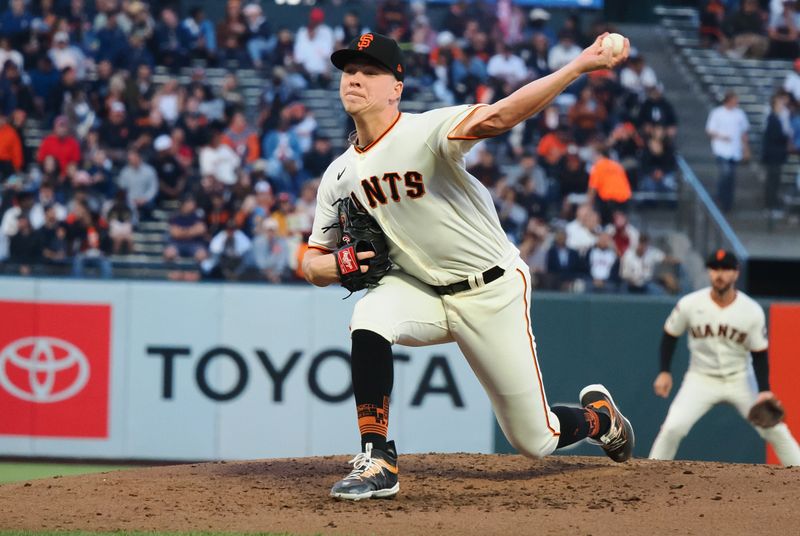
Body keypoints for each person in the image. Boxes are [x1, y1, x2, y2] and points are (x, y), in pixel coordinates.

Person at [301, 32, 635, 501]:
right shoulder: (338, 175)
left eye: (370, 71)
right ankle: (376, 457)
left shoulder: (426, 132)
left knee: (534, 440)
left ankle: (601, 418)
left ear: (396, 87)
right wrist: (342, 263)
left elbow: (500, 115)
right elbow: (311, 264)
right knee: (368, 317)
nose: (355, 78)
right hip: (421, 290)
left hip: (491, 290)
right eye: (349, 70)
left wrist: (578, 65)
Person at [649, 250, 800, 466]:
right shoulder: (690, 303)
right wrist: (664, 371)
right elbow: (670, 335)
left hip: (740, 378)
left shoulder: (751, 310)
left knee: (775, 429)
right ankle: (649, 475)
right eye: (715, 269)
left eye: (726, 269)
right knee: (673, 428)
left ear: (735, 274)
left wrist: (764, 391)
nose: (719, 274)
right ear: (709, 272)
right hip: (700, 378)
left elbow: (759, 355)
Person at [705, 91, 750, 213]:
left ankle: (727, 201)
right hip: (721, 149)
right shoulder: (717, 113)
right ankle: (721, 198)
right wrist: (721, 136)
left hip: (735, 150)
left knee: (731, 176)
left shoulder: (740, 114)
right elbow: (710, 130)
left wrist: (746, 149)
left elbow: (744, 133)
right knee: (725, 173)